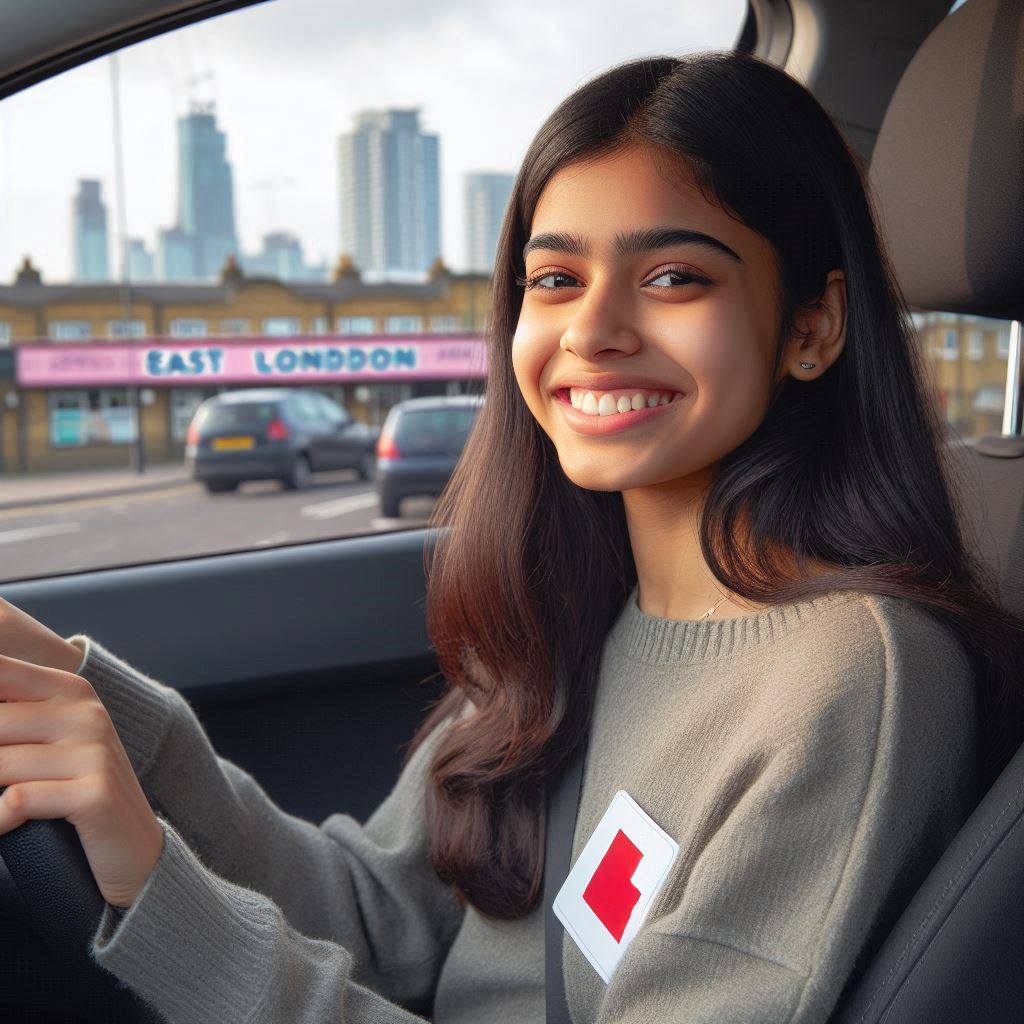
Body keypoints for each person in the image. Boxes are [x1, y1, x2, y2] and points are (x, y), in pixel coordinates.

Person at [1, 50, 1023, 1024]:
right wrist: (112, 725)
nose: (593, 330)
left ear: (812, 327)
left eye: (673, 277)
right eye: (554, 279)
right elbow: (375, 916)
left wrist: (156, 891)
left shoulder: (850, 679)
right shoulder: (578, 606)